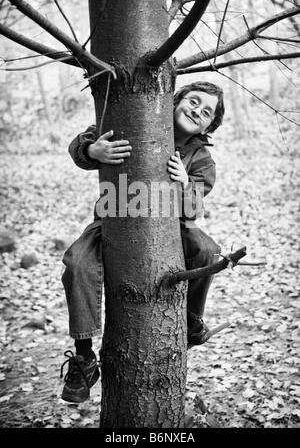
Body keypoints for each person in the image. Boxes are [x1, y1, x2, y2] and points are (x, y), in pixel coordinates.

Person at [60, 81, 225, 403]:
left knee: (207, 251)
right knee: (77, 262)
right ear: (175, 101)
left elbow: (195, 208)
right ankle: (84, 356)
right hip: (115, 213)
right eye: (193, 102)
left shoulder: (200, 157)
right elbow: (84, 143)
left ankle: (191, 320)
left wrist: (183, 182)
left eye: (207, 112)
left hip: (171, 224)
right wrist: (92, 151)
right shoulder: (134, 120)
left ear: (210, 125)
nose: (197, 111)